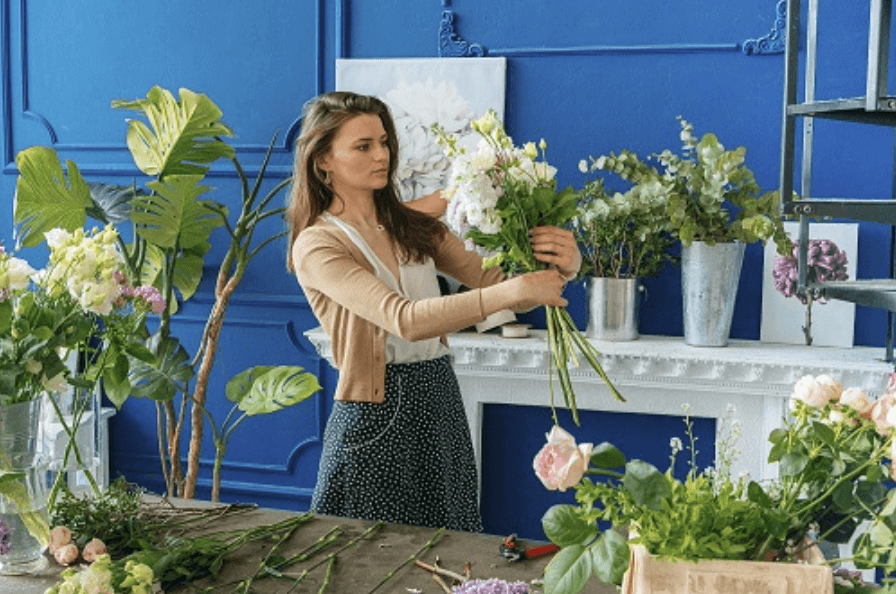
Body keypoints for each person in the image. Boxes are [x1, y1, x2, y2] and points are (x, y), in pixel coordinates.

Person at [285, 91, 581, 532]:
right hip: (374, 415)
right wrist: (514, 290)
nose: (381, 155)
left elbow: (496, 285)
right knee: (368, 559)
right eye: (363, 146)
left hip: (438, 397)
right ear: (323, 161)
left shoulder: (412, 228)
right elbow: (403, 318)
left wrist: (564, 268)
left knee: (450, 545)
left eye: (384, 142)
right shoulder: (317, 244)